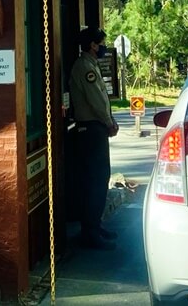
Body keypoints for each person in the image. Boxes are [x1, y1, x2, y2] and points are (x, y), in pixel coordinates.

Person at [68, 26, 119, 250]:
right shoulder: (84, 67)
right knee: (95, 179)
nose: (103, 48)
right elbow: (96, 99)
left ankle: (95, 226)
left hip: (94, 128)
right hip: (91, 129)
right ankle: (90, 231)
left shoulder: (91, 65)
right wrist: (108, 122)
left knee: (99, 178)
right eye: (101, 44)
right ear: (92, 45)